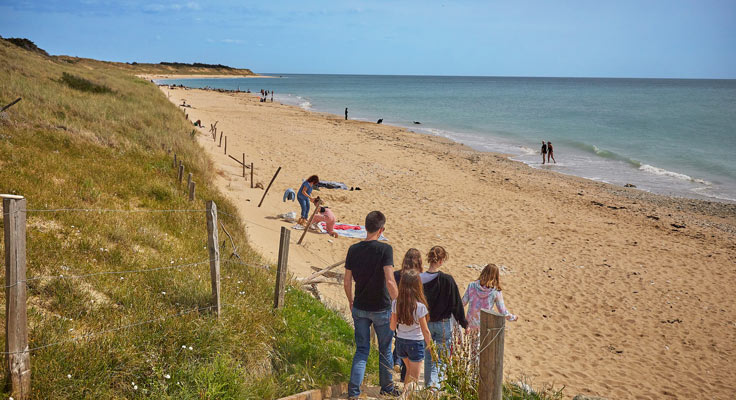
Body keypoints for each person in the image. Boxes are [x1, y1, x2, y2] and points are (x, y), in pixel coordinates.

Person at [344, 211, 400, 398]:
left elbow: (347, 281)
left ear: (365, 226)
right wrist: (398, 303)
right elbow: (390, 281)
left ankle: (353, 392)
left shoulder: (353, 250)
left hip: (360, 305)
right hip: (381, 308)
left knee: (361, 350)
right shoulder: (385, 250)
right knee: (385, 349)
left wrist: (351, 300)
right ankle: (387, 388)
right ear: (381, 229)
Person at [421, 246, 468, 388]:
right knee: (441, 359)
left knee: (429, 357)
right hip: (443, 323)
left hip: (426, 322)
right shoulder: (447, 280)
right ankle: (434, 388)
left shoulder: (419, 279)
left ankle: (429, 386)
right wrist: (464, 323)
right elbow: (456, 304)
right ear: (441, 261)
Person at [390, 270, 434, 389]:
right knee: (414, 380)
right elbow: (425, 330)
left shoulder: (395, 303)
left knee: (409, 372)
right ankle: (405, 397)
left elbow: (392, 326)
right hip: (415, 342)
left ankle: (405, 394)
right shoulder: (420, 307)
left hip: (400, 342)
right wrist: (431, 347)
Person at [392, 248, 424, 381]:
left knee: (400, 337)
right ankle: (403, 373)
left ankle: (397, 362)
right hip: (413, 311)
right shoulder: (418, 277)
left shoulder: (396, 275)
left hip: (398, 309)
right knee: (411, 341)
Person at [462, 263, 518, 331]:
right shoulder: (495, 292)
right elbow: (502, 311)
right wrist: (512, 317)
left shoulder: (472, 286)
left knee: (471, 341)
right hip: (485, 325)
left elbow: (463, 303)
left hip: (470, 325)